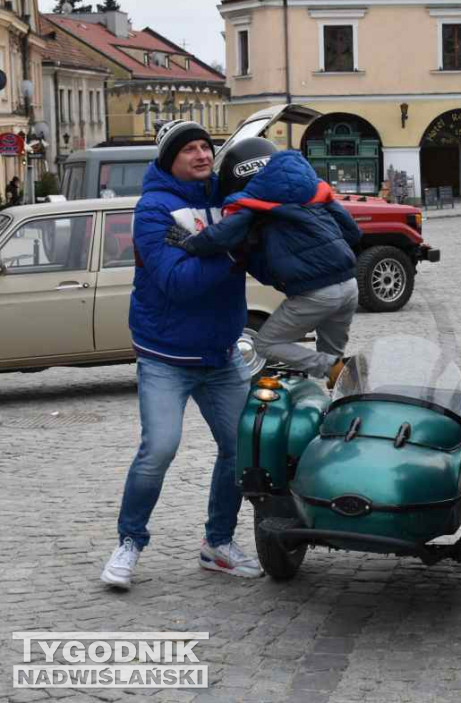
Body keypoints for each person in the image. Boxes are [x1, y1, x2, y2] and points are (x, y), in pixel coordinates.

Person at [101, 120, 262, 590]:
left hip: (222, 353)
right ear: (169, 160)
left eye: (206, 146)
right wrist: (234, 253)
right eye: (189, 149)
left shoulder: (228, 196)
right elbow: (176, 281)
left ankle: (218, 544)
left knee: (239, 451)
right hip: (165, 355)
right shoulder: (153, 210)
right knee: (160, 449)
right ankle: (129, 543)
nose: (201, 154)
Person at [165, 141, 361, 387]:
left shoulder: (255, 200)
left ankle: (331, 369)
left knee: (267, 344)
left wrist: (190, 243)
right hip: (350, 286)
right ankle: (344, 403)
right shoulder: (313, 188)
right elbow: (353, 232)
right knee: (336, 365)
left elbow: (223, 235)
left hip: (316, 292)